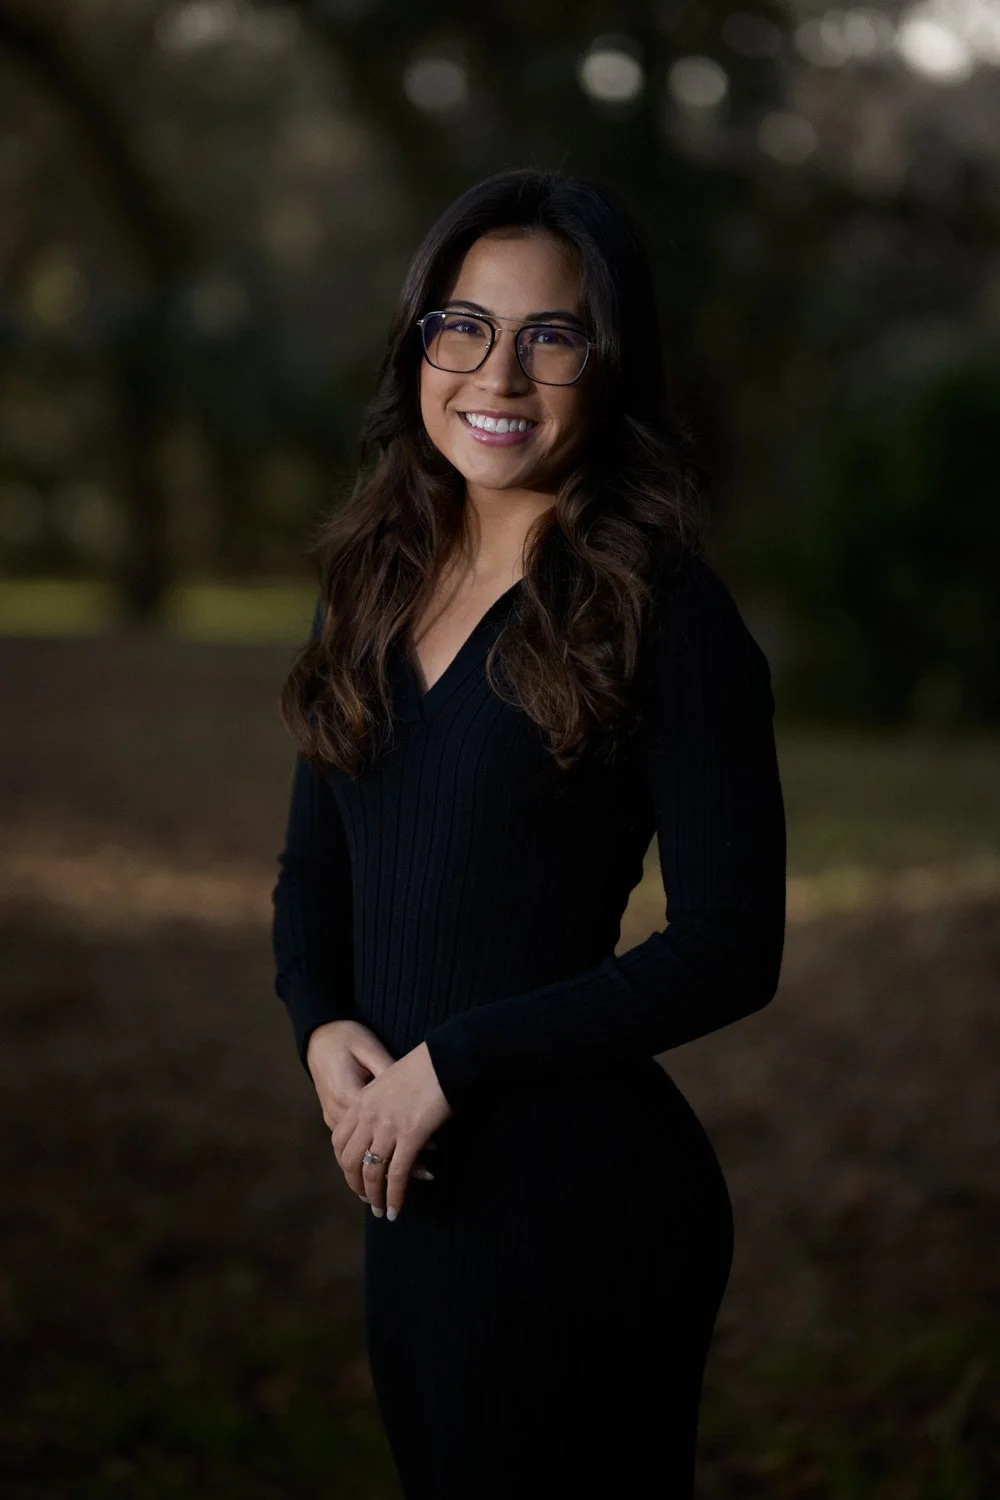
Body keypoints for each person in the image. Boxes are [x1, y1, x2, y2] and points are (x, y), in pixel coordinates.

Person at [271, 167, 786, 1499]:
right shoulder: (372, 585)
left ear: (611, 364)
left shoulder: (666, 614)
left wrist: (459, 1060)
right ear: (418, 341)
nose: (500, 373)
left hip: (586, 1203)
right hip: (414, 1195)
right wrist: (322, 1022)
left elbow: (732, 945)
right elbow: (314, 873)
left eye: (553, 335)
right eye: (465, 325)